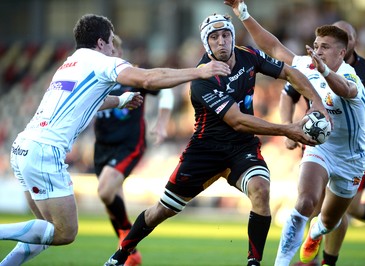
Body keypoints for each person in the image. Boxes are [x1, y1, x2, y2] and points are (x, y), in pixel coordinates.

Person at [0, 13, 231, 266]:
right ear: (101, 43)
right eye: (111, 42)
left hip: (23, 147)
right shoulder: (102, 62)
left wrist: (121, 100)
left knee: (44, 231)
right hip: (44, 151)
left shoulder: (70, 64)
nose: (114, 48)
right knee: (65, 232)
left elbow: (89, 102)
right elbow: (148, 78)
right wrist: (199, 72)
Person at [104, 12, 329, 266]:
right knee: (161, 211)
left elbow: (289, 73)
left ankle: (253, 262)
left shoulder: (249, 56)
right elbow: (237, 121)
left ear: (232, 37)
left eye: (225, 35)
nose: (221, 41)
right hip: (204, 151)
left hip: (241, 148)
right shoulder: (202, 79)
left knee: (261, 189)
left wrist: (317, 102)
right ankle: (119, 256)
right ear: (206, 43)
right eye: (214, 37)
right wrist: (288, 129)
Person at [224, 1, 365, 265]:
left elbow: (343, 90)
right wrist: (242, 13)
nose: (318, 51)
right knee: (304, 202)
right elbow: (273, 47)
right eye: (316, 46)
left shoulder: (352, 77)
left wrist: (323, 69)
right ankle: (281, 263)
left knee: (328, 221)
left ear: (342, 52)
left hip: (352, 158)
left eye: (325, 47)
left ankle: (315, 233)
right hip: (321, 148)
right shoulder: (307, 65)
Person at [280, 21, 365, 265]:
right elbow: (288, 94)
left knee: (342, 210)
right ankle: (311, 257)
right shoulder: (310, 63)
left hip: (352, 150)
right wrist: (288, 127)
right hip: (319, 142)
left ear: (350, 43)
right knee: (311, 202)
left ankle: (330, 259)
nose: (348, 39)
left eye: (350, 36)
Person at [94, 35, 174, 266]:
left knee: (106, 190)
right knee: (111, 198)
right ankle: (131, 253)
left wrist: (161, 122)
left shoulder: (132, 74)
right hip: (102, 146)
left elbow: (165, 91)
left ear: (117, 53)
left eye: (108, 52)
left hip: (130, 144)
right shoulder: (97, 78)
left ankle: (126, 242)